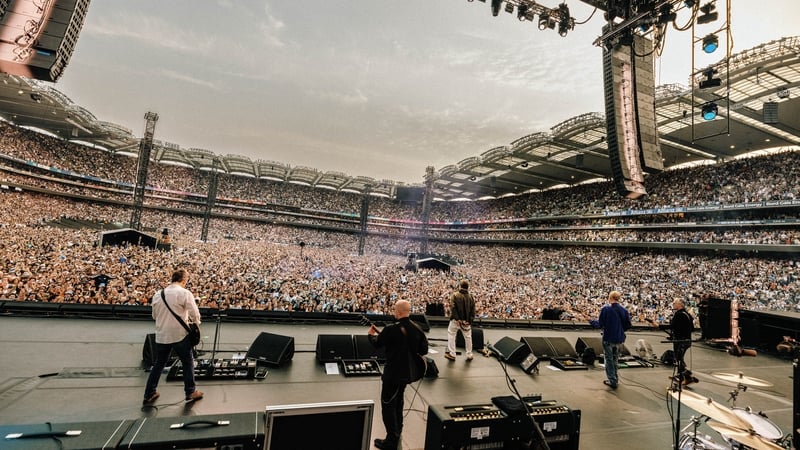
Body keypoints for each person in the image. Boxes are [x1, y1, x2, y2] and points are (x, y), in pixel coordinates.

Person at [368, 299, 428, 450]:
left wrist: (370, 336)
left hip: (393, 374)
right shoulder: (418, 328)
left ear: (399, 312)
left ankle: (391, 440)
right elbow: (424, 350)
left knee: (388, 405)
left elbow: (377, 343)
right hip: (408, 374)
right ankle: (398, 430)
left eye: (395, 310)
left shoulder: (391, 329)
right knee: (399, 400)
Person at [143, 268, 203, 404]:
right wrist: (196, 325)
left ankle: (149, 393)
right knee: (187, 362)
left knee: (159, 364)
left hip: (162, 335)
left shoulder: (158, 294)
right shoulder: (184, 293)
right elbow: (195, 313)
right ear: (184, 280)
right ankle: (190, 391)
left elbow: (154, 315)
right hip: (179, 335)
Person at [589, 290, 631, 389]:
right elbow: (628, 325)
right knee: (615, 359)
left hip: (608, 338)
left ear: (610, 297)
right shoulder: (624, 310)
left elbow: (600, 324)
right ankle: (615, 378)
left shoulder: (606, 309)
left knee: (609, 360)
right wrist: (620, 330)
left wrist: (590, 321)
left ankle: (612, 381)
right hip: (619, 339)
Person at [444, 280, 476, 361]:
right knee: (468, 337)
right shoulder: (471, 297)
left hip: (455, 321)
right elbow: (473, 310)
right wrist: (470, 320)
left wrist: (457, 319)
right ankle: (469, 354)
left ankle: (452, 354)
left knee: (451, 335)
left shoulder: (455, 295)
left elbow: (453, 307)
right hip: (467, 321)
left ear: (460, 286)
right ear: (467, 287)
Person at [670, 298, 697, 385]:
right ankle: (681, 376)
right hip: (686, 340)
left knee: (678, 358)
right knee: (679, 358)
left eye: (675, 303)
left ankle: (686, 375)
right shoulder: (687, 314)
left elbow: (673, 326)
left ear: (680, 305)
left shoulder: (679, 314)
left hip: (680, 340)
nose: (673, 304)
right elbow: (692, 328)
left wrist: (659, 326)